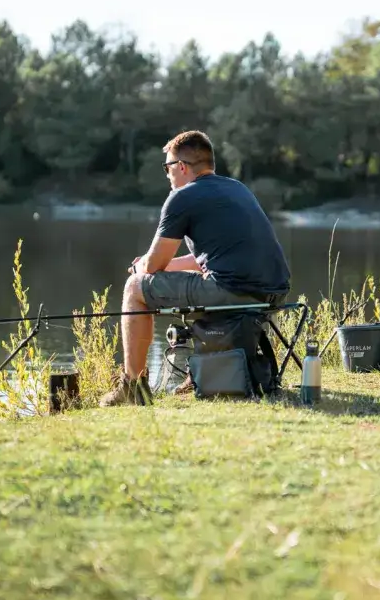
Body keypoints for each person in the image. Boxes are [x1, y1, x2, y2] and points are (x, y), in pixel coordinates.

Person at [100, 130, 292, 406]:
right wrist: (160, 267)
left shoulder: (183, 197)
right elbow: (210, 259)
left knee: (134, 289)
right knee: (196, 277)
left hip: (234, 291)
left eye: (167, 167)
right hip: (274, 292)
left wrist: (141, 266)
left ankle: (132, 387)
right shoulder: (237, 188)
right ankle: (200, 372)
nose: (167, 174)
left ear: (180, 166)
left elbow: (153, 265)